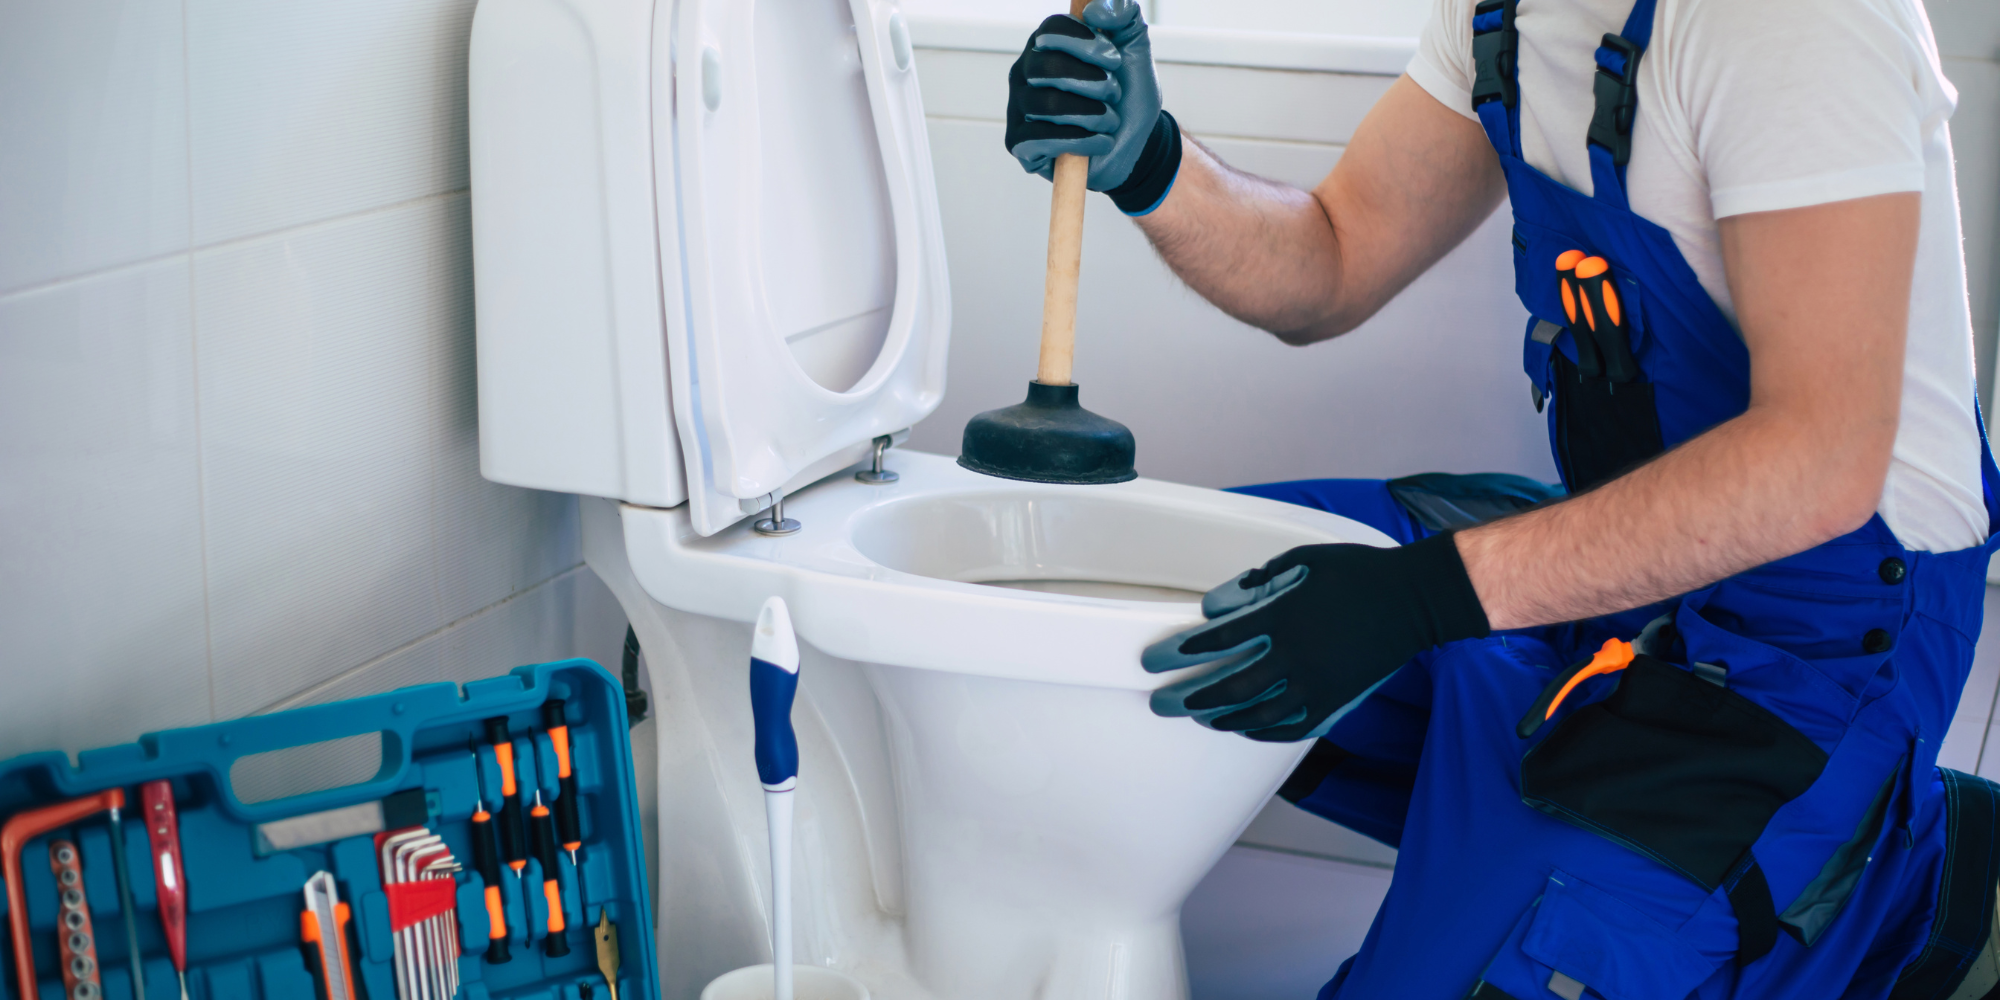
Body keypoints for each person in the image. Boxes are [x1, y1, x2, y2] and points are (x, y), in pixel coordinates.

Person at [1006, 0, 2000, 996]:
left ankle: (1886, 879)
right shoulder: (1505, 12)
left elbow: (1818, 462)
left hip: (1821, 642)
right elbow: (1334, 254)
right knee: (1164, 618)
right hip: (1620, 567)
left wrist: (1417, 597)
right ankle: (1658, 847)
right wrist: (1149, 161)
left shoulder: (1788, 23)